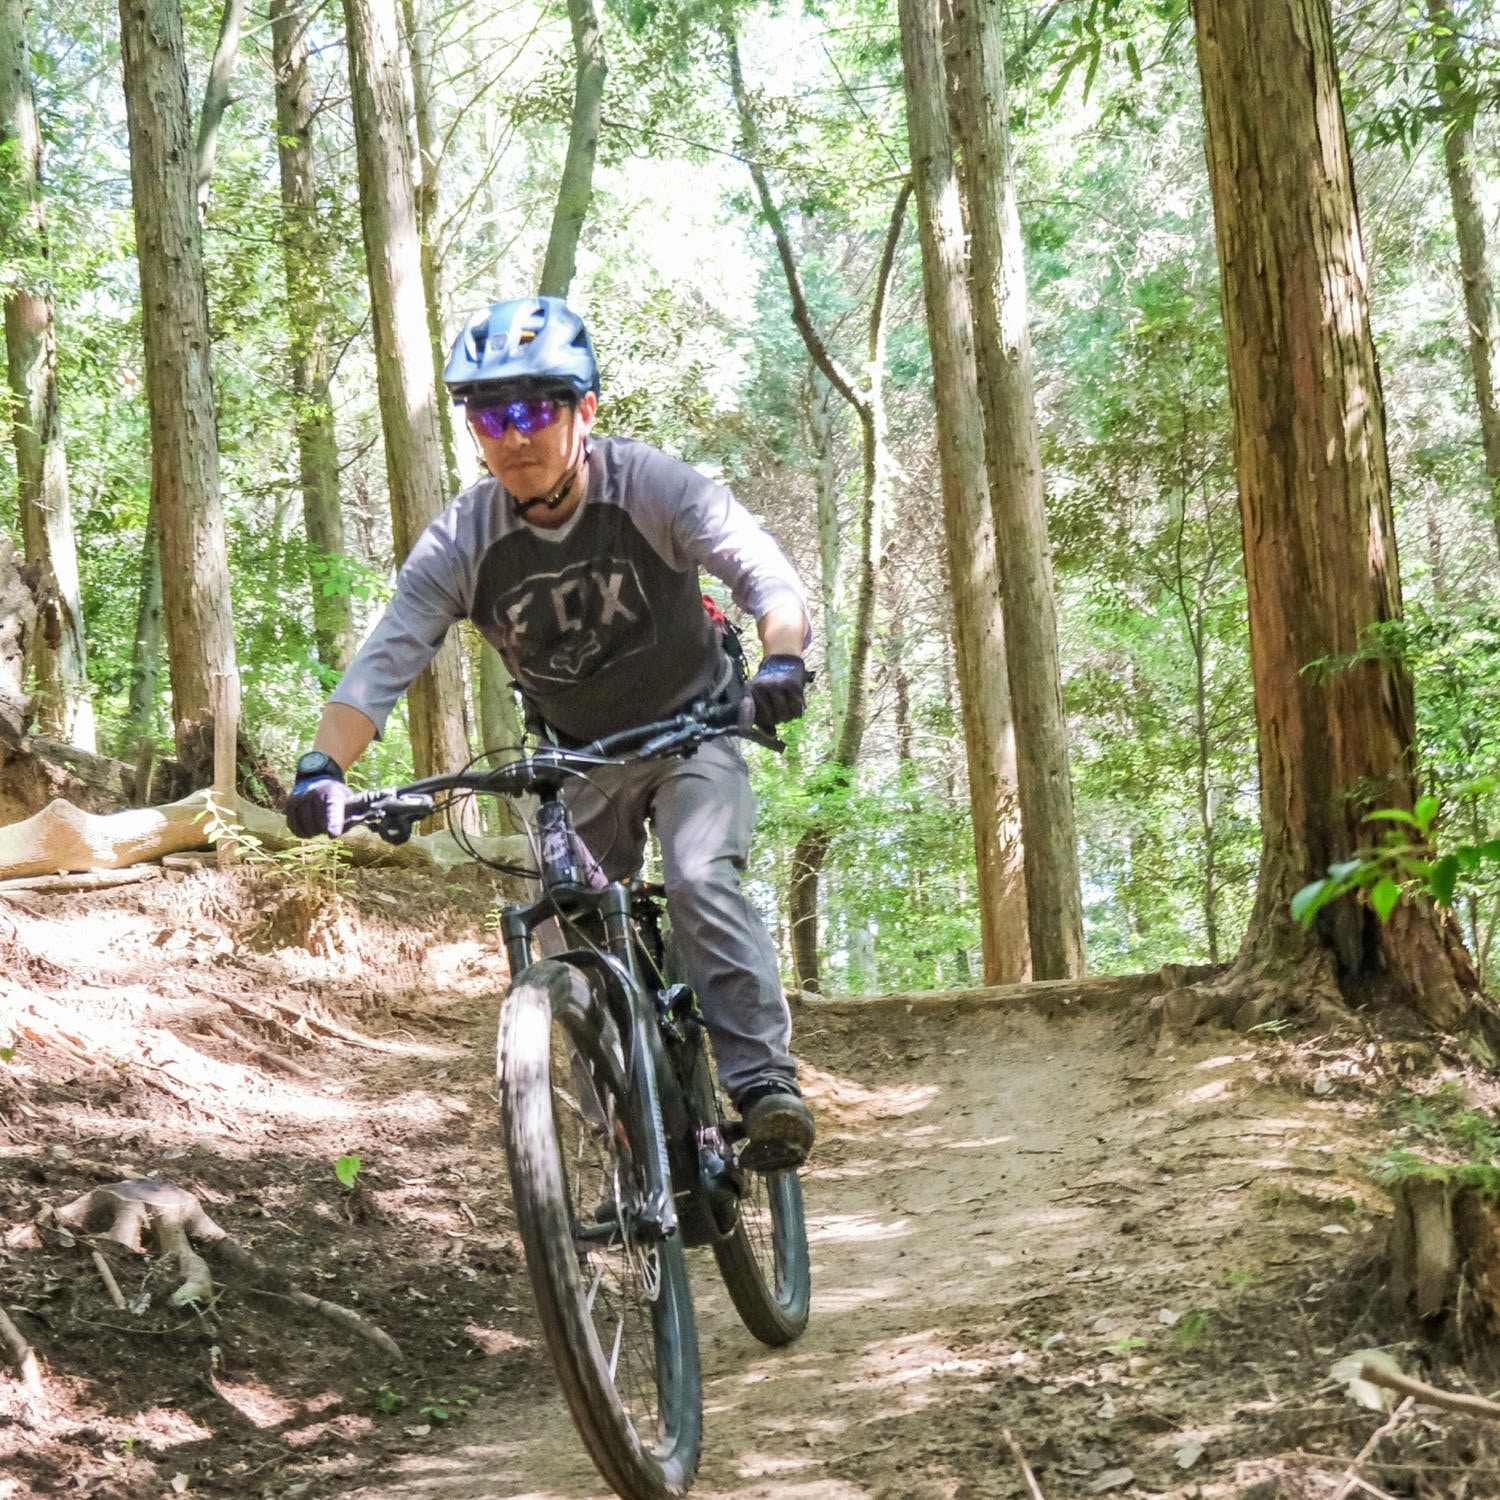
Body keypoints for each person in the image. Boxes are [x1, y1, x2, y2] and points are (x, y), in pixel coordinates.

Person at [285, 294, 816, 1168]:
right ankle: (630, 1139)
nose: (514, 436)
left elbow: (763, 572)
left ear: (585, 411)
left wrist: (782, 659)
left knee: (696, 875)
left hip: (696, 726)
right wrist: (321, 767)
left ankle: (763, 1085)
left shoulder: (649, 486)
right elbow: (384, 660)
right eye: (489, 417)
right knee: (569, 926)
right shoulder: (463, 540)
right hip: (576, 757)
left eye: (535, 411)